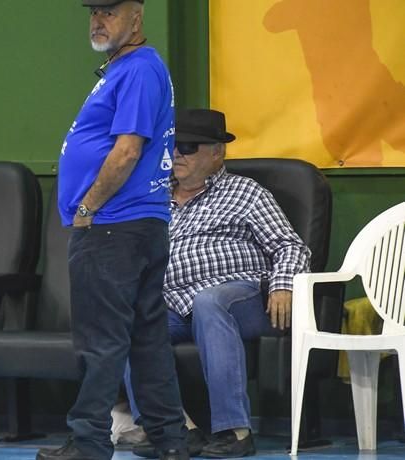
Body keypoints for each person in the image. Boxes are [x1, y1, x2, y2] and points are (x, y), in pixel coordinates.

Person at [37, 1, 188, 459]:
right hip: (134, 225)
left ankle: (88, 441)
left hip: (112, 225)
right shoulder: (127, 68)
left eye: (110, 11)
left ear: (137, 17)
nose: (98, 20)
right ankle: (169, 440)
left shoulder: (139, 69)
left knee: (100, 341)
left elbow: (126, 151)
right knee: (146, 339)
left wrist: (88, 205)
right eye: (94, 12)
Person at [125, 109, 311, 458]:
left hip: (240, 295)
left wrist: (284, 285)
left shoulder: (245, 193)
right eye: (172, 145)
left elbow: (290, 245)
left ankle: (235, 432)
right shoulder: (155, 196)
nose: (177, 153)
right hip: (174, 301)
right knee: (131, 315)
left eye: (189, 146)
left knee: (210, 301)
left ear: (216, 153)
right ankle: (175, 429)